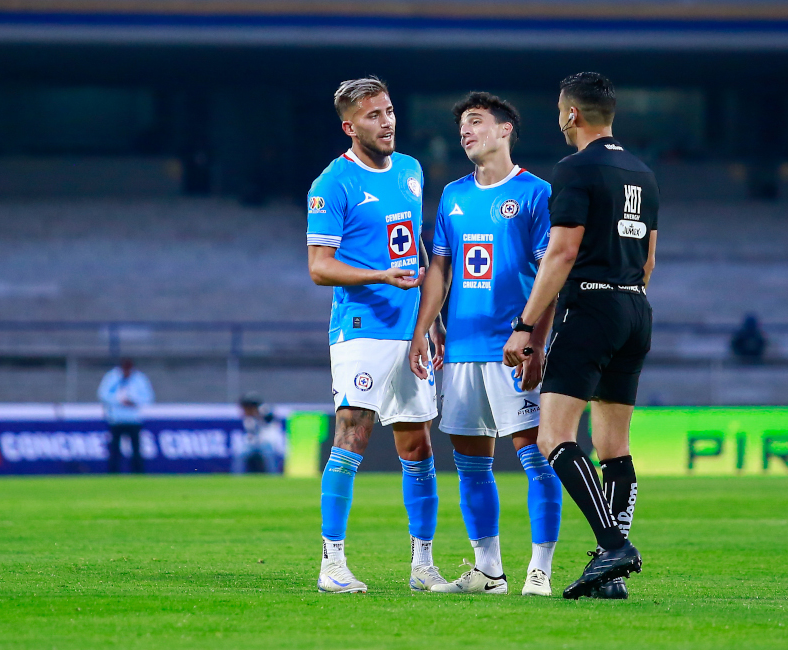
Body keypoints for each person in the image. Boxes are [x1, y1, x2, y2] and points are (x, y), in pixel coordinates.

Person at [503, 72, 659, 600]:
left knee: (553, 438)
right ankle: (609, 578)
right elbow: (649, 260)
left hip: (591, 306)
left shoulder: (575, 168)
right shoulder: (643, 174)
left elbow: (563, 252)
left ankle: (613, 547)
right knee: (614, 446)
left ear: (572, 113)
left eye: (559, 109)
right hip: (635, 308)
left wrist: (526, 326)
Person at [410, 92, 563, 596]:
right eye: (462, 126)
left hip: (511, 349)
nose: (466, 132)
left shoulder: (536, 193)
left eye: (476, 122)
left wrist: (536, 341)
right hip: (461, 351)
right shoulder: (453, 194)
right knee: (470, 463)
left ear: (504, 130)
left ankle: (540, 570)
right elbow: (439, 269)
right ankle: (489, 572)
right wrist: (425, 328)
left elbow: (550, 275)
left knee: (535, 457)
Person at [306, 76, 446, 594]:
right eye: (373, 115)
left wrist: (433, 320)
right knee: (353, 433)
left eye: (388, 111)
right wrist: (381, 276)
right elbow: (320, 267)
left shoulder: (410, 170)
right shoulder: (332, 184)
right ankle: (332, 563)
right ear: (350, 127)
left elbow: (418, 247)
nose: (386, 122)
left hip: (411, 330)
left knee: (418, 444)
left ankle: (423, 565)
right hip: (362, 328)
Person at [97, 358, 154, 474]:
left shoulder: (139, 378)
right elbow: (103, 394)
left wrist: (134, 401)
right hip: (116, 419)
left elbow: (148, 397)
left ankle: (138, 473)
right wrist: (119, 401)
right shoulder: (112, 377)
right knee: (115, 449)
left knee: (136, 449)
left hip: (133, 420)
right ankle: (113, 473)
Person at [235, 393, 285, 474]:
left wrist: (258, 414)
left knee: (269, 455)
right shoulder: (248, 419)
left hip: (268, 443)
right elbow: (251, 434)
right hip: (253, 444)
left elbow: (270, 419)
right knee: (240, 454)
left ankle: (273, 477)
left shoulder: (264, 411)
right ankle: (237, 477)